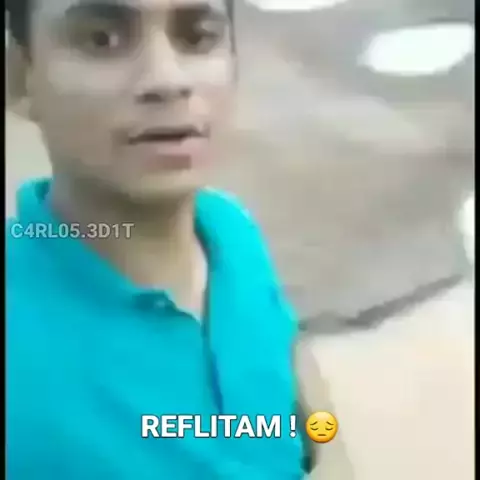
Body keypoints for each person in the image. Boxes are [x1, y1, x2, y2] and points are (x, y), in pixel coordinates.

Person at [6, 1, 353, 478]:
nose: (168, 79)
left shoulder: (228, 229)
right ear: (19, 77)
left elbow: (306, 416)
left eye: (197, 37)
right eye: (101, 39)